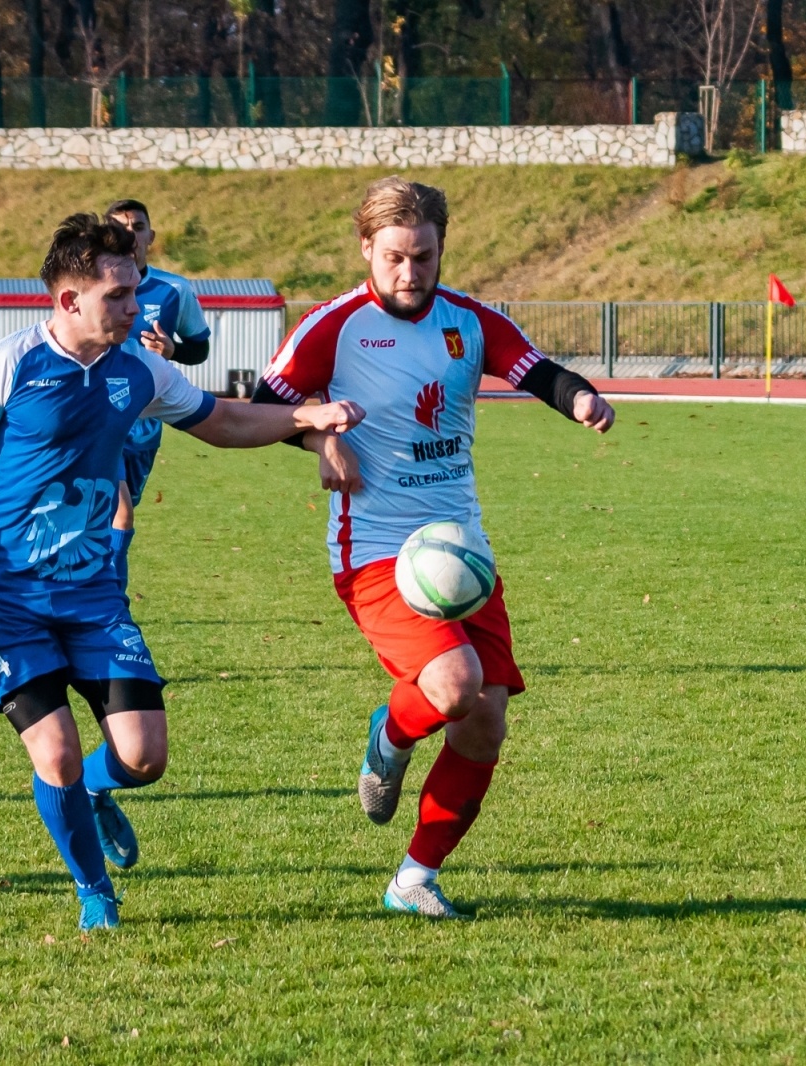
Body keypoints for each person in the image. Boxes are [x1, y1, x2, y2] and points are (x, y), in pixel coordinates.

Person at [0, 213, 363, 930]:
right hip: (4, 596)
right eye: (118, 295)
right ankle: (94, 890)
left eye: (135, 291)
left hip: (94, 594)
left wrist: (308, 419)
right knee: (57, 751)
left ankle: (95, 795)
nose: (135, 307)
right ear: (69, 301)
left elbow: (221, 420)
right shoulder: (8, 365)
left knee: (144, 755)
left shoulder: (140, 367)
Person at [252, 177, 615, 920]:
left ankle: (414, 878)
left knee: (484, 722)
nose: (410, 273)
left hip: (459, 549)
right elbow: (261, 409)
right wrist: (320, 435)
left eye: (423, 256)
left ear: (442, 247)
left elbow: (534, 369)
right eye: (394, 258)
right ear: (366, 249)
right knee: (452, 684)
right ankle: (389, 737)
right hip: (375, 549)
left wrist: (578, 397)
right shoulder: (334, 327)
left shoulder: (469, 322)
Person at [105, 198, 212, 593]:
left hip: (146, 423)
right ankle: (110, 603)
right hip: (100, 416)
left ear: (151, 235)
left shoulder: (173, 290)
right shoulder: (93, 286)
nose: (129, 234)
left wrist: (172, 352)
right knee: (118, 513)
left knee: (115, 515)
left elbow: (199, 348)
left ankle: (97, 594)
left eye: (137, 226)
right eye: (120, 226)